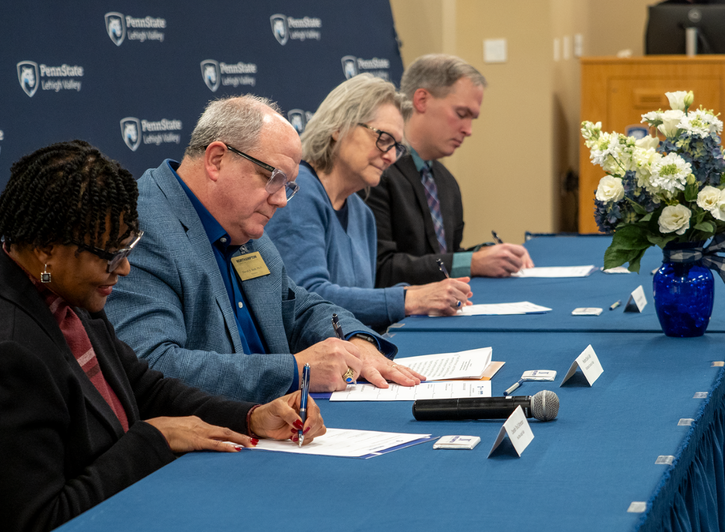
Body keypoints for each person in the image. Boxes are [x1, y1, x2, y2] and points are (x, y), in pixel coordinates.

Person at [0, 141, 325, 532]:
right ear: (44, 250)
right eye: (110, 256)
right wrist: (153, 439)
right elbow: (42, 524)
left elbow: (148, 388)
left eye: (128, 247)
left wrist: (251, 415)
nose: (126, 268)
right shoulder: (6, 351)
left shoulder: (66, 297)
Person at [106, 95, 423, 400]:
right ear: (216, 159)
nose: (282, 200)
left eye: (288, 185)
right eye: (273, 177)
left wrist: (357, 341)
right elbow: (153, 366)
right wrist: (296, 370)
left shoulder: (240, 223)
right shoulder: (143, 226)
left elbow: (298, 307)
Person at [264, 74, 472, 331]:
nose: (392, 156)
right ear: (338, 127)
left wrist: (421, 294)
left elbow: (359, 300)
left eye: (397, 146)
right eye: (383, 139)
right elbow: (309, 299)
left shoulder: (362, 214)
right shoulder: (299, 194)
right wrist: (409, 298)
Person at [365, 54, 534, 287]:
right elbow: (381, 269)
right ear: (422, 100)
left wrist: (488, 254)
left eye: (472, 118)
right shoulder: (377, 172)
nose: (468, 130)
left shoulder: (445, 182)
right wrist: (472, 262)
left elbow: (443, 255)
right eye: (461, 114)